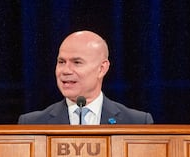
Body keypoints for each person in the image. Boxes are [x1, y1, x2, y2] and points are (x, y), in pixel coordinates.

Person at [17, 30, 154, 125]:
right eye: (61, 62)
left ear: (102, 69)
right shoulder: (32, 124)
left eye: (77, 62)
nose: (65, 70)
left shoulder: (136, 122)